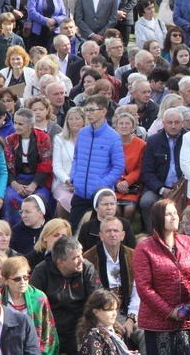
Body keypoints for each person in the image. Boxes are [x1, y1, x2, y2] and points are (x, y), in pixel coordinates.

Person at [134, 199, 190, 353]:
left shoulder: (188, 243)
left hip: (187, 321)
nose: (174, 217)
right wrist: (170, 312)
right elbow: (144, 287)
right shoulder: (144, 248)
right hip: (157, 322)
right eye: (168, 214)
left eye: (175, 213)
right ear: (158, 218)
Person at [29, 236, 102, 354]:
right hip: (51, 327)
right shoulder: (41, 271)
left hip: (79, 325)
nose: (81, 260)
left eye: (81, 255)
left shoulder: (87, 268)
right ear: (60, 262)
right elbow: (34, 302)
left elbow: (96, 299)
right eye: (75, 258)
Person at [81, 217, 142, 350]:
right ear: (101, 236)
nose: (112, 234)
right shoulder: (89, 257)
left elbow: (138, 290)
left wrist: (131, 319)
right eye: (108, 231)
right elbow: (92, 294)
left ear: (123, 235)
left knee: (144, 333)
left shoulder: (134, 255)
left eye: (116, 230)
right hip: (104, 311)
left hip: (132, 310)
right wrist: (111, 320)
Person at [69, 94, 125, 229]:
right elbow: (76, 157)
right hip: (80, 192)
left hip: (100, 196)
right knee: (75, 229)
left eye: (92, 110)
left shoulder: (113, 137)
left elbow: (118, 166)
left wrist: (102, 184)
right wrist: (74, 177)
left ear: (103, 112)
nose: (88, 114)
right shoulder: (82, 133)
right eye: (86, 110)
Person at [2, 109, 53, 227]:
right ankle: (13, 230)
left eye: (20, 124)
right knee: (11, 199)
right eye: (15, 123)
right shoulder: (10, 140)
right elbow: (6, 165)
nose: (16, 126)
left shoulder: (43, 138)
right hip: (16, 179)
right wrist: (14, 184)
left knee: (38, 200)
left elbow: (46, 164)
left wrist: (34, 185)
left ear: (30, 125)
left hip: (37, 180)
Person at [0, 256, 59, 355]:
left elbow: (49, 331)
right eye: (17, 279)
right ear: (5, 280)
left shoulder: (39, 298)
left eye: (26, 277)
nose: (23, 282)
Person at [51, 107, 86, 217]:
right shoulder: (59, 139)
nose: (74, 122)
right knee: (64, 200)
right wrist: (67, 180)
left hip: (84, 182)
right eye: (71, 119)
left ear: (84, 120)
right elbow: (56, 166)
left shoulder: (89, 139)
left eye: (77, 118)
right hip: (63, 183)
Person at [76, 289, 134, 355]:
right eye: (109, 310)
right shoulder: (92, 337)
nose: (114, 313)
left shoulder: (116, 331)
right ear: (96, 312)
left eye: (115, 309)